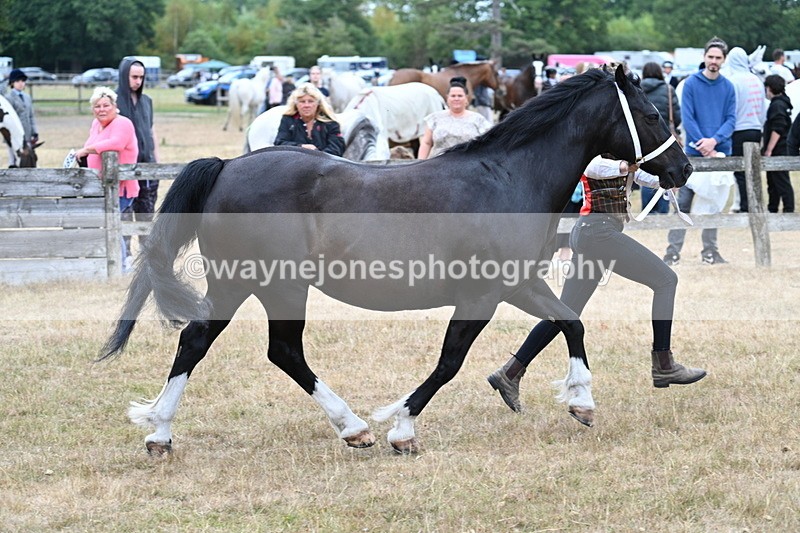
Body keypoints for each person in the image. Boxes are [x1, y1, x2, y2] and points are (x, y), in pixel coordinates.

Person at [487, 155, 706, 413]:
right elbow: (593, 167)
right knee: (666, 280)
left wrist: (669, 173)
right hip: (597, 232)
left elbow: (647, 177)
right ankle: (664, 364)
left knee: (565, 312)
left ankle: (510, 372)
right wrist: (628, 166)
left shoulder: (625, 157)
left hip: (594, 234)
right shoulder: (597, 155)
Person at [664, 37, 736, 266]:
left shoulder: (728, 87)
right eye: (710, 57)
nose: (713, 61)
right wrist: (702, 144)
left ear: (723, 60)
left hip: (719, 154)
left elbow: (731, 120)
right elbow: (688, 118)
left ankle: (710, 252)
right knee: (683, 204)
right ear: (704, 57)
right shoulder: (691, 84)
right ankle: (672, 252)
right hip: (694, 154)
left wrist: (714, 141)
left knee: (714, 204)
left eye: (718, 58)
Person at [73, 87, 139, 268]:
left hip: (121, 187)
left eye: (105, 105)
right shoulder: (96, 124)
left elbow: (115, 143)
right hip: (99, 186)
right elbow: (93, 144)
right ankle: (106, 263)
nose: (101, 110)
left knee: (110, 224)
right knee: (104, 224)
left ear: (114, 106)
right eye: (97, 106)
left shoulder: (123, 123)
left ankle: (120, 265)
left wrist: (86, 150)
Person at [116, 58, 159, 268]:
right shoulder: (113, 101)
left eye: (141, 77)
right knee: (124, 215)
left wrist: (156, 161)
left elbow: (151, 132)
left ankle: (146, 259)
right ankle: (124, 257)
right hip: (124, 170)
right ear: (124, 76)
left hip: (147, 168)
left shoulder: (147, 101)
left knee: (146, 214)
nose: (138, 81)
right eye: (134, 77)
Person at [724, 47, 766, 213]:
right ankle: (757, 204)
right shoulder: (756, 80)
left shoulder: (732, 81)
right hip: (756, 128)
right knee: (754, 169)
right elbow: (763, 108)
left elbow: (731, 109)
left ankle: (745, 206)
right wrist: (759, 124)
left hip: (739, 130)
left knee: (741, 170)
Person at [639, 61, 681, 214]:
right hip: (665, 139)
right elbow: (677, 116)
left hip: (643, 139)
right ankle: (663, 209)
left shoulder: (638, 90)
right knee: (665, 172)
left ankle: (648, 209)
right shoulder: (668, 90)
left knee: (644, 172)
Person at [417, 76, 492, 159]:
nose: (456, 99)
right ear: (447, 98)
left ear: (466, 99)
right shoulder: (434, 118)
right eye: (453, 96)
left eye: (460, 96)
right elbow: (426, 143)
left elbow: (488, 143)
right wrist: (420, 162)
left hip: (468, 165)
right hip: (438, 165)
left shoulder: (478, 120)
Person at [274, 82, 345, 156]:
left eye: (311, 101)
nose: (306, 105)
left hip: (325, 165)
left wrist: (317, 156)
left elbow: (338, 147)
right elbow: (279, 143)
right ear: (296, 104)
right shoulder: (288, 120)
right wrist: (301, 147)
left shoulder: (330, 122)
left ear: (318, 103)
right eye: (302, 101)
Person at [762, 75, 795, 213]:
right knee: (774, 181)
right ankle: (773, 207)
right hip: (781, 148)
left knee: (781, 181)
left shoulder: (777, 105)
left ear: (769, 88)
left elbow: (778, 128)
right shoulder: (783, 102)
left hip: (778, 149)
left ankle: (788, 209)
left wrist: (769, 149)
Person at [5, 69, 39, 150]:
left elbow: (31, 116)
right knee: (14, 160)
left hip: (27, 134)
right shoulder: (8, 98)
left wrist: (34, 132)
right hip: (14, 135)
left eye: (23, 80)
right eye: (18, 81)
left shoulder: (27, 97)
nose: (21, 83)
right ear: (12, 82)